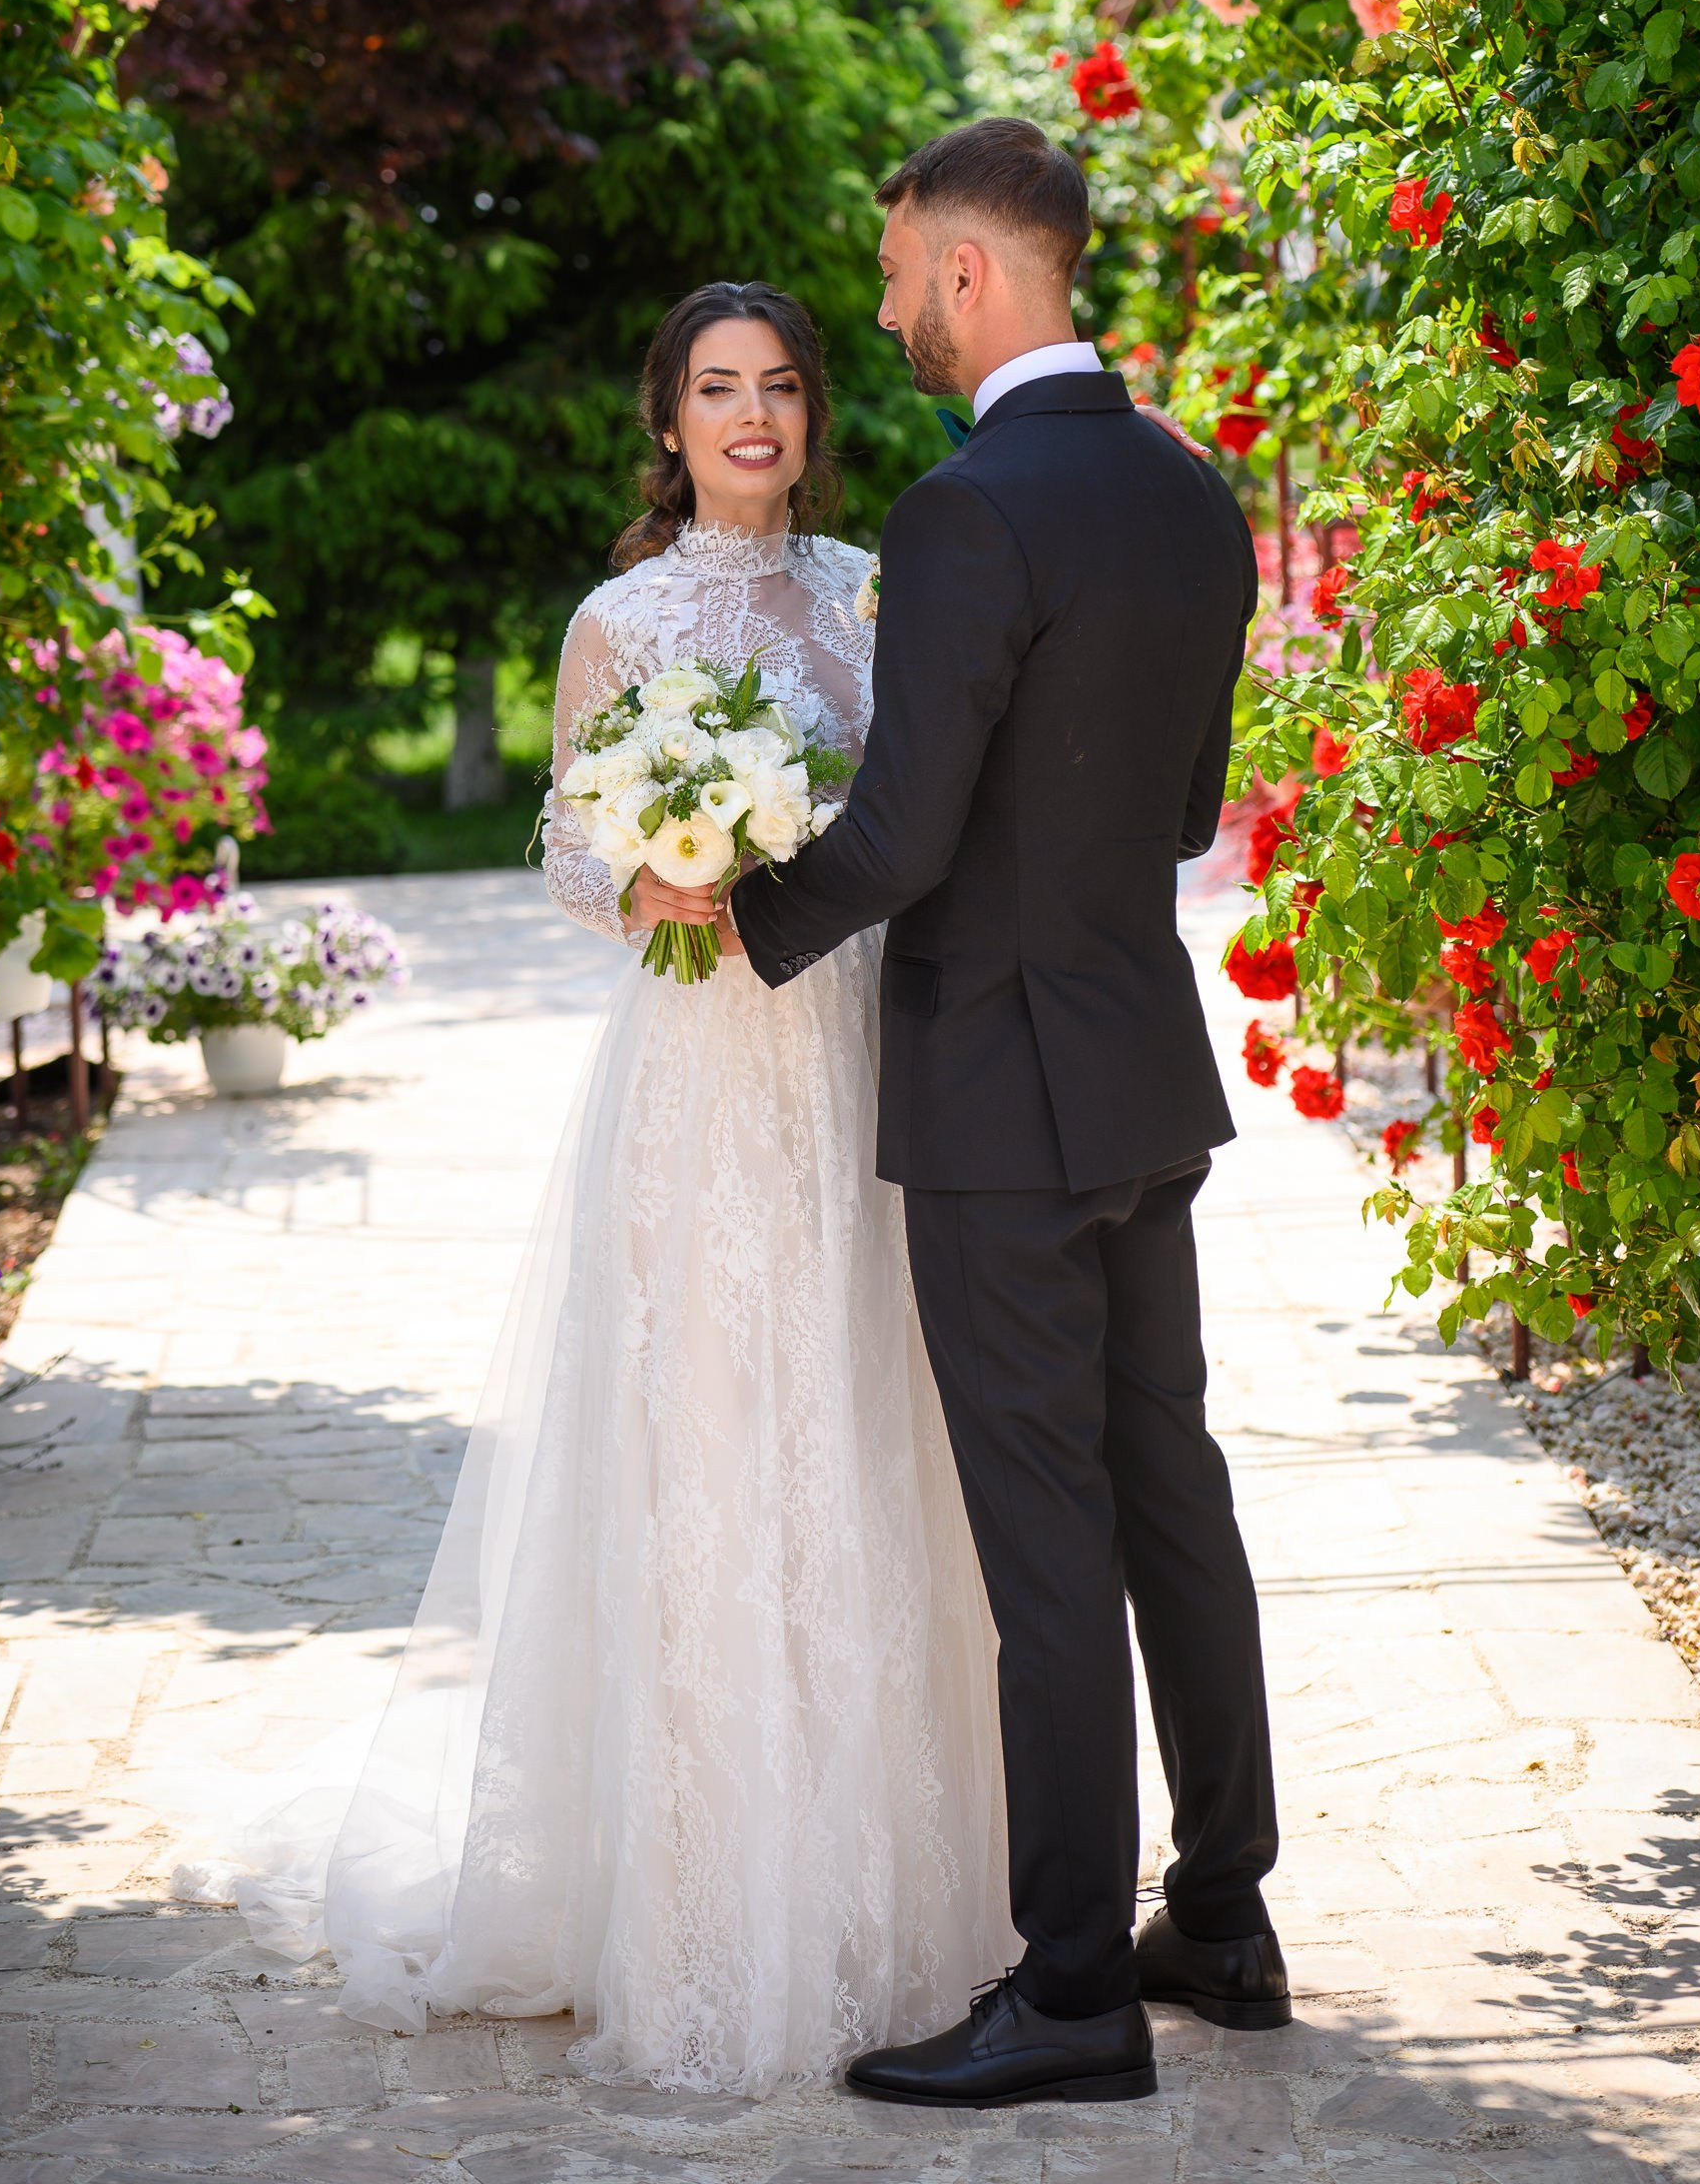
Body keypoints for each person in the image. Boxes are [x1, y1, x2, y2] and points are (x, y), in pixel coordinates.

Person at [201, 280, 1010, 2098]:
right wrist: (651, 873)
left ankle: (904, 1891)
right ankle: (705, 1901)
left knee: (876, 1424)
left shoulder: (885, 590)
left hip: (864, 1050)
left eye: (781, 387)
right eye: (716, 389)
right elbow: (569, 833)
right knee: (708, 1441)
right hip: (699, 1079)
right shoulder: (616, 619)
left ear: (813, 415)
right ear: (669, 420)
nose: (750, 417)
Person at [687, 117, 1286, 2108]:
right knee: (1169, 1496)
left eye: (888, 273)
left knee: (1046, 1548)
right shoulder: (1191, 495)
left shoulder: (969, 513)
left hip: (991, 1102)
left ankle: (1066, 1993)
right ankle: (1217, 1915)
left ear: (967, 268)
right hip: (1133, 1069)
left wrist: (732, 910)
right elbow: (1187, 812)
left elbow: (900, 836)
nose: (875, 312)